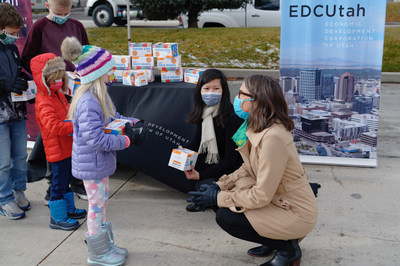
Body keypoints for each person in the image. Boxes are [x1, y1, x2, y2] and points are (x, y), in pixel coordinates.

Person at [188, 75, 318, 266]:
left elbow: (261, 195)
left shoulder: (273, 137)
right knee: (213, 190)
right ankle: (272, 238)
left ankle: (287, 249)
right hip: (279, 200)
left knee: (226, 217)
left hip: (294, 211)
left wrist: (217, 198)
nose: (237, 99)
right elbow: (248, 168)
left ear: (258, 101)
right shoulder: (257, 125)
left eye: (242, 94)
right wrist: (218, 185)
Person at [62, 36, 147, 265]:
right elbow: (96, 139)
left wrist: (133, 123)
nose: (112, 75)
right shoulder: (88, 102)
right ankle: (97, 253)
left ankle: (106, 245)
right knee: (96, 207)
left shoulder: (99, 96)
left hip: (99, 164)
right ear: (97, 73)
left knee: (101, 205)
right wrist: (127, 141)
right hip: (93, 165)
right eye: (108, 71)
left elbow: (115, 118)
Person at [21, 0, 90, 203]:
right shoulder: (40, 27)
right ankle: (54, 185)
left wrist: (80, 72)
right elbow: (28, 58)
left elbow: (85, 52)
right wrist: (48, 77)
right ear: (47, 5)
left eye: (67, 12)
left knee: (77, 136)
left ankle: (77, 181)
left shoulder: (76, 26)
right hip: (52, 91)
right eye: (59, 12)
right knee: (54, 141)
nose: (63, 16)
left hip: (75, 90)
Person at [30, 53, 87, 230]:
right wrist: (75, 126)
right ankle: (57, 217)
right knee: (59, 184)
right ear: (44, 79)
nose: (59, 82)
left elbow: (67, 111)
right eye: (54, 79)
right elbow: (54, 126)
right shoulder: (44, 100)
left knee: (66, 180)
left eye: (61, 78)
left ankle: (68, 209)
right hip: (57, 151)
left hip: (67, 148)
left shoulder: (57, 95)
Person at [182, 69, 243, 212]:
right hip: (215, 164)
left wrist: (201, 175)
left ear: (223, 90)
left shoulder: (231, 117)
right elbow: (197, 142)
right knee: (191, 179)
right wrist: (182, 152)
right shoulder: (204, 112)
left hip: (231, 170)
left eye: (216, 88)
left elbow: (231, 159)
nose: (211, 92)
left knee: (205, 185)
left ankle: (209, 198)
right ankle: (206, 197)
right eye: (207, 88)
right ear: (200, 91)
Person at [0, 2, 30, 220]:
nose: (15, 36)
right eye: (11, 32)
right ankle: (4, 198)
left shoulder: (11, 48)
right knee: (3, 161)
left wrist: (24, 80)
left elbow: (17, 71)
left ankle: (18, 189)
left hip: (17, 111)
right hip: (0, 115)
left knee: (20, 156)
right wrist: (6, 84)